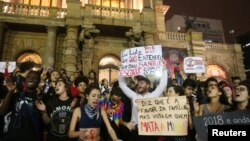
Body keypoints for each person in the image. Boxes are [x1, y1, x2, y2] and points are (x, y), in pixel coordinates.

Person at [118, 67, 168, 141]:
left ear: (148, 85)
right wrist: (122, 70)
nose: (138, 84)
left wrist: (164, 69)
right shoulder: (134, 96)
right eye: (138, 82)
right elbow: (122, 85)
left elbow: (162, 84)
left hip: (150, 134)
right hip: (135, 133)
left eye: (141, 83)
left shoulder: (153, 96)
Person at [1, 71, 43, 141]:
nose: (31, 79)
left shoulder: (40, 98)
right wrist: (10, 91)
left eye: (34, 78)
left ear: (38, 82)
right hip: (12, 135)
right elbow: (2, 111)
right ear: (25, 80)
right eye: (29, 77)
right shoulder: (17, 95)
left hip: (29, 136)